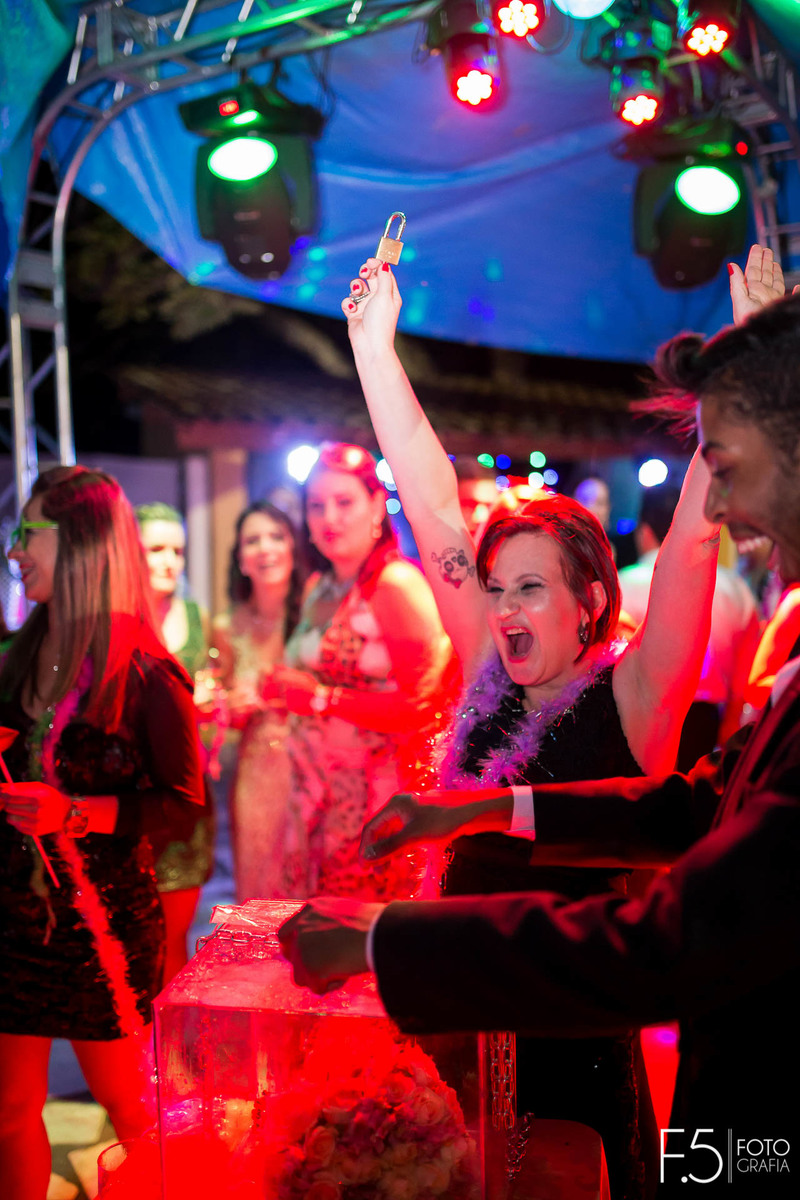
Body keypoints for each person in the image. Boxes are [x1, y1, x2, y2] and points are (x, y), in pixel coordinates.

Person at [280, 247, 800, 1197]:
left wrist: (746, 370)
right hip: (456, 1008)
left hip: (572, 1033)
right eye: (495, 588)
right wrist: (373, 349)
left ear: (593, 600)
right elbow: (433, 498)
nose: (505, 608)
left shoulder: (638, 696)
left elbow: (691, 542)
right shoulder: (489, 669)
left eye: (531, 588)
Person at [0, 466, 205, 1200]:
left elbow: (183, 805)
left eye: (29, 533)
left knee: (132, 1115)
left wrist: (74, 814)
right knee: (9, 1113)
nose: (15, 549)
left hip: (102, 929)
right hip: (14, 922)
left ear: (82, 542)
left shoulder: (147, 671)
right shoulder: (17, 655)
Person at [261, 442, 453, 902]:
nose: (330, 518)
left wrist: (324, 699)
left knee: (358, 943)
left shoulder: (395, 586)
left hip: (374, 797)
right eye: (316, 506)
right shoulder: (319, 585)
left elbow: (426, 706)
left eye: (344, 502)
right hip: (314, 793)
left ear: (375, 507)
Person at [618, 485, 759, 768]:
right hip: (710, 724)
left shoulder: (623, 586)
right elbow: (745, 679)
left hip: (643, 721)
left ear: (644, 532)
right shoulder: (735, 589)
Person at [136, 502, 215, 979]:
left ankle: (169, 1053)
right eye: (156, 549)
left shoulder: (196, 616)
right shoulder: (116, 620)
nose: (170, 560)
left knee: (175, 944)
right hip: (133, 801)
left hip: (187, 803)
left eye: (178, 550)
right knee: (133, 944)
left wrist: (214, 707)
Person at [212, 500, 303, 903]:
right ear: (240, 559)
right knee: (261, 893)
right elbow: (216, 714)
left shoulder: (318, 615)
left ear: (292, 547)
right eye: (253, 540)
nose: (265, 548)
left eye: (276, 536)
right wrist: (231, 707)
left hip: (317, 769)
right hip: (258, 776)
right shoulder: (225, 627)